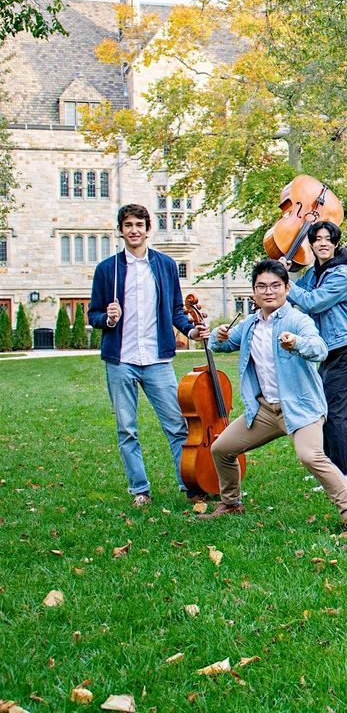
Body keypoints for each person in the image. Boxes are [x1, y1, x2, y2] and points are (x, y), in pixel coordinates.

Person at [199, 259, 347, 535]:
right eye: (262, 286)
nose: (269, 292)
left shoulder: (297, 319)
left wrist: (297, 343)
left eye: (275, 286)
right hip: (265, 410)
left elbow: (319, 348)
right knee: (221, 449)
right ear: (254, 292)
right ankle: (231, 503)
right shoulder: (250, 324)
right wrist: (218, 336)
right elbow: (225, 345)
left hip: (301, 407)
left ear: (287, 288)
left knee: (310, 456)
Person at [87, 203, 209, 508]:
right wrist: (108, 319)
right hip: (121, 360)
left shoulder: (165, 265)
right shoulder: (107, 269)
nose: (134, 230)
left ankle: (188, 483)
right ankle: (140, 488)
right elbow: (94, 314)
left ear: (147, 229)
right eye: (128, 225)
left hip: (157, 360)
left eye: (139, 225)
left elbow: (176, 311)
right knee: (127, 428)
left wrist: (191, 332)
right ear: (121, 230)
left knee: (177, 426)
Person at [287, 222, 347, 488]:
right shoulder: (315, 272)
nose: (322, 243)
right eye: (317, 239)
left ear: (335, 243)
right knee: (324, 408)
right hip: (326, 349)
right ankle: (330, 468)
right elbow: (296, 293)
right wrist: (284, 271)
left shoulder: (341, 273)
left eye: (328, 239)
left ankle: (343, 474)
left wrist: (285, 282)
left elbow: (311, 301)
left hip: (346, 348)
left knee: (335, 411)